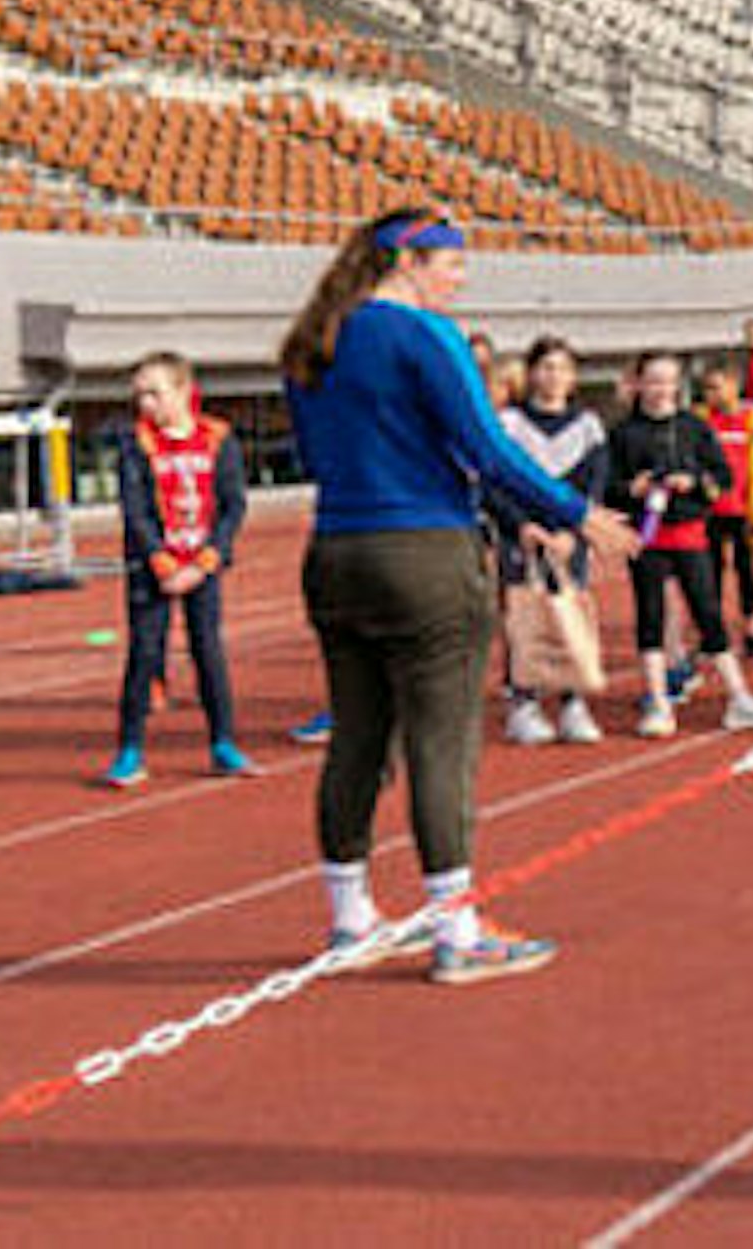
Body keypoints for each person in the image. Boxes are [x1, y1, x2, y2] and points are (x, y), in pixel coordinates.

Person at [282, 206, 621, 985]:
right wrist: (576, 512)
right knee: (442, 744)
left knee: (359, 739)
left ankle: (349, 917)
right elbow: (487, 449)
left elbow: (321, 451)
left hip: (335, 551)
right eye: (452, 262)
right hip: (425, 554)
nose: (459, 277)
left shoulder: (312, 342)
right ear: (410, 260)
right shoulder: (423, 335)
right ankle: (457, 928)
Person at [610, 350, 753, 736]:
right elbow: (608, 488)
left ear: (678, 385)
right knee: (651, 616)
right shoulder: (623, 433)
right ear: (638, 384)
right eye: (653, 380)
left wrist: (694, 482)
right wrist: (634, 488)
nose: (660, 389)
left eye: (667, 381)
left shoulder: (694, 427)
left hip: (691, 533)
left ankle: (739, 697)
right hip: (645, 537)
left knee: (708, 612)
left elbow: (721, 476)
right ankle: (658, 703)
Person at [101, 352, 252, 787]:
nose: (146, 403)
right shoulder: (137, 443)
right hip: (153, 568)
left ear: (184, 391)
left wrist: (207, 560)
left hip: (201, 566)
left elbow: (233, 505)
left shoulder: (218, 438)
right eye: (139, 395)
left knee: (209, 651)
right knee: (145, 654)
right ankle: (130, 748)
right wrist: (161, 562)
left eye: (155, 392)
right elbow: (135, 508)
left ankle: (223, 741)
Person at [497, 338, 610, 747]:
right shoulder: (509, 425)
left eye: (562, 368)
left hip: (566, 539)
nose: (554, 377)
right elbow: (497, 483)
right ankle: (523, 701)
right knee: (523, 615)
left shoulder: (587, 427)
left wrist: (571, 531)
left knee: (569, 614)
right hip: (522, 537)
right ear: (530, 374)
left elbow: (594, 485)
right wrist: (521, 525)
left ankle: (572, 701)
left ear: (574, 377)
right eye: (545, 367)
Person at [697, 361, 753, 657]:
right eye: (707, 389)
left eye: (716, 387)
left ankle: (751, 628)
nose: (711, 394)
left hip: (742, 509)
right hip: (710, 509)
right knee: (710, 573)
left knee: (746, 570)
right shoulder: (702, 420)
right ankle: (712, 632)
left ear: (733, 386)